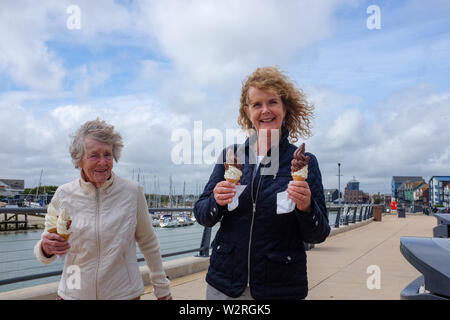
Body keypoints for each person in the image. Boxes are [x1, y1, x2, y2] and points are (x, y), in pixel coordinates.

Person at [194, 66, 330, 300]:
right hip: (224, 285)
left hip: (281, 289)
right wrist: (216, 201)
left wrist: (307, 207)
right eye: (257, 104)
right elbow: (202, 214)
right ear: (247, 112)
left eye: (272, 102)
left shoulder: (304, 162)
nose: (265, 110)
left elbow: (318, 234)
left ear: (285, 108)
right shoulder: (230, 156)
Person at [34, 118, 172, 300]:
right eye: (94, 155)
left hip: (124, 295)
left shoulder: (132, 191)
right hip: (73, 294)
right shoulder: (63, 194)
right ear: (79, 160)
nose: (102, 162)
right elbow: (46, 252)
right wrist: (46, 247)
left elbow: (148, 242)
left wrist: (162, 290)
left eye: (107, 154)